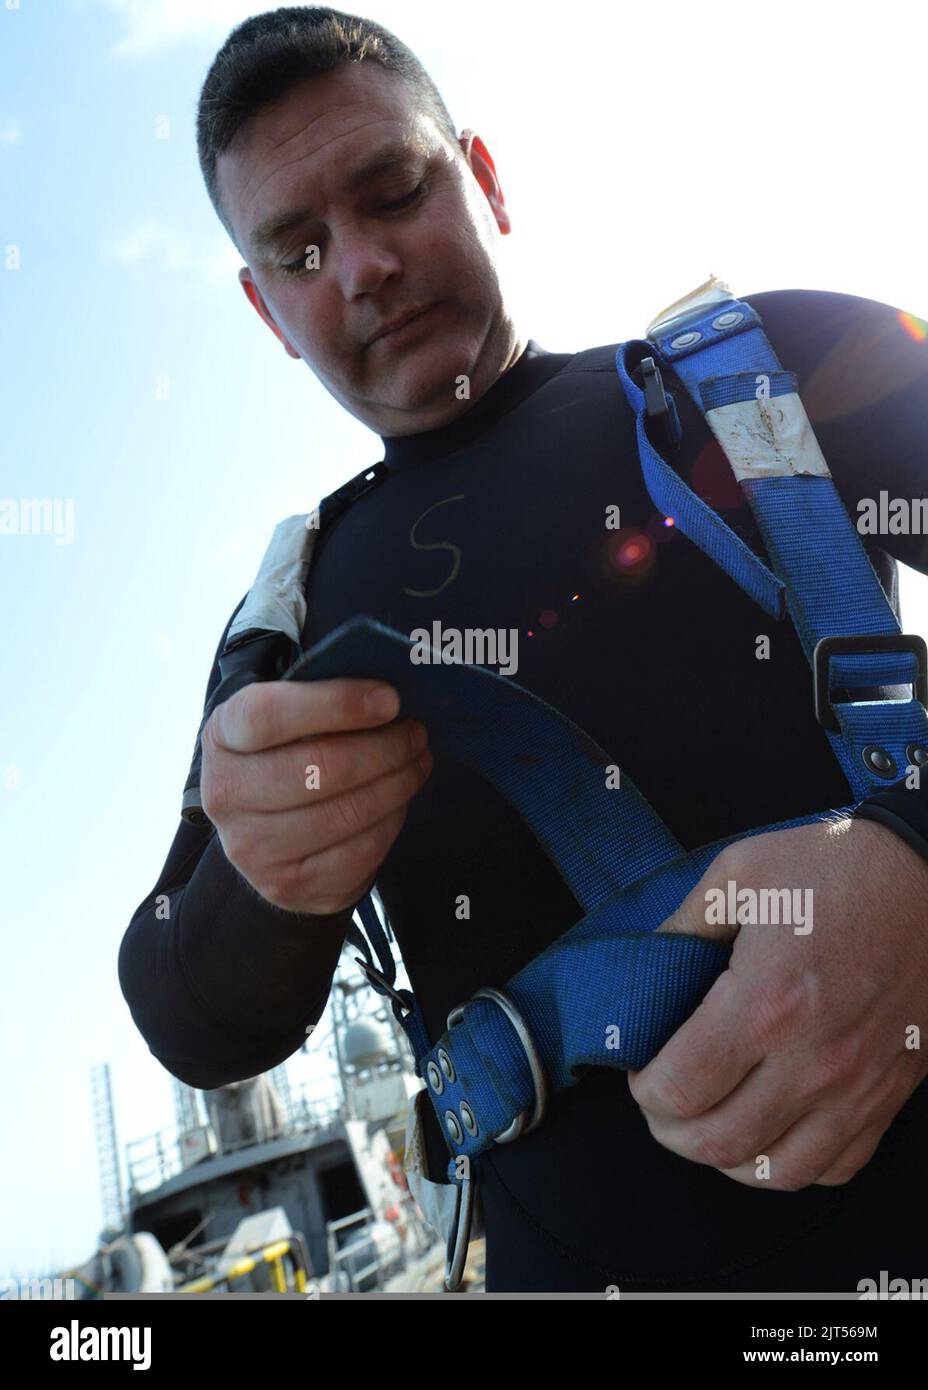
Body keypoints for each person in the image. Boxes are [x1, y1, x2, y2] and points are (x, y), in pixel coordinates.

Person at [119, 6, 928, 1292]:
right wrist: (264, 880)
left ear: (484, 178)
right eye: (301, 249)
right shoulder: (287, 630)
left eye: (393, 189)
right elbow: (187, 1007)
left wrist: (915, 864)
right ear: (266, 309)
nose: (364, 265)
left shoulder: (780, 370)